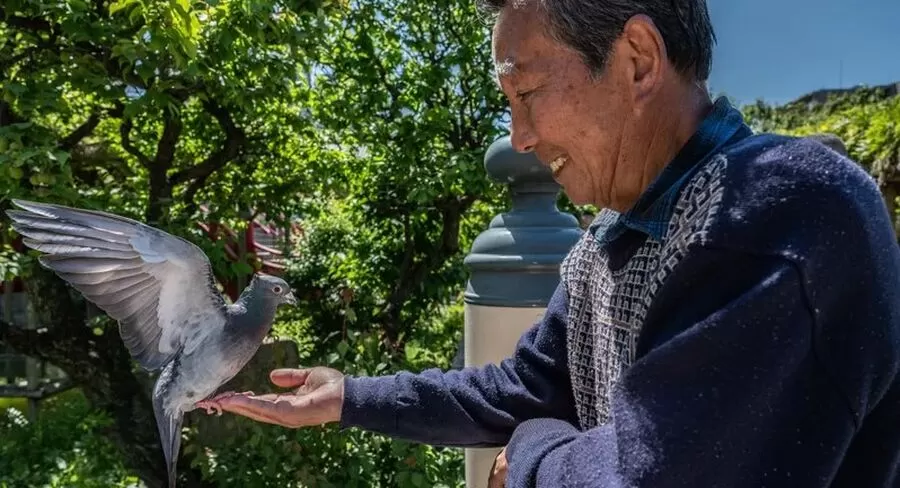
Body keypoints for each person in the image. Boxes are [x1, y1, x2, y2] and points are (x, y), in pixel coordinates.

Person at [218, 0, 900, 486]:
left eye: (529, 92)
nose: (519, 138)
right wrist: (348, 397)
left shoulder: (784, 212)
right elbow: (526, 387)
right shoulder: (608, 238)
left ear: (637, 60)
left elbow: (642, 473)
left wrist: (530, 454)